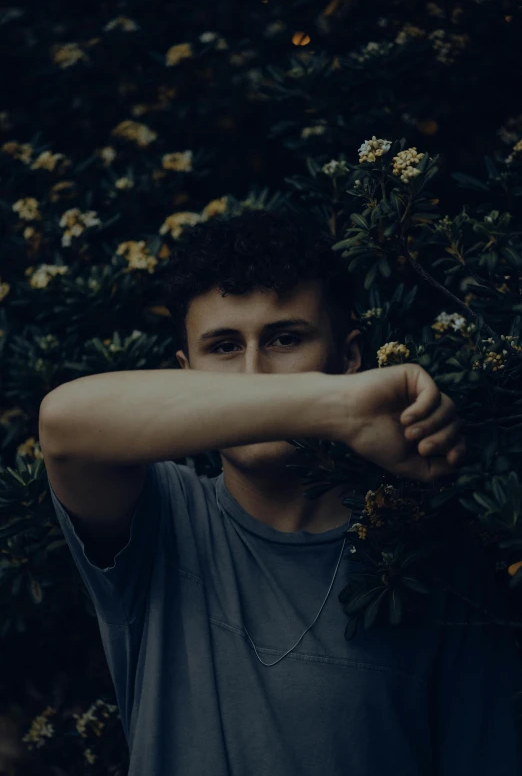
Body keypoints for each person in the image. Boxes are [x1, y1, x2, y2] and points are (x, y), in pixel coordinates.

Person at [39, 210, 522, 775]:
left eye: (285, 338)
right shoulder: (163, 519)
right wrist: (342, 407)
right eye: (222, 347)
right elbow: (65, 425)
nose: (252, 375)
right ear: (183, 370)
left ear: (349, 358)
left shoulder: (423, 558)